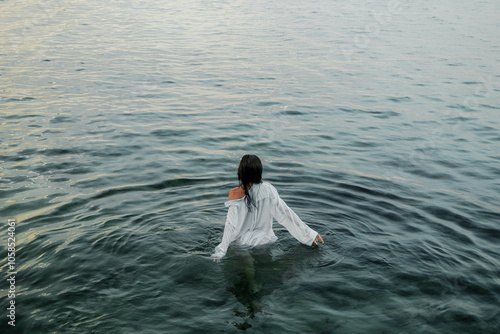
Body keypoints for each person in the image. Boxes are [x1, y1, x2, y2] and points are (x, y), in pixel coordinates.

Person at [212, 154, 324, 262]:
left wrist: (222, 251)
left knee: (247, 264)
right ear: (259, 172)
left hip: (241, 243)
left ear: (241, 172)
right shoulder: (268, 190)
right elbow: (286, 213)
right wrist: (309, 234)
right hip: (263, 241)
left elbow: (230, 225)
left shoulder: (234, 193)